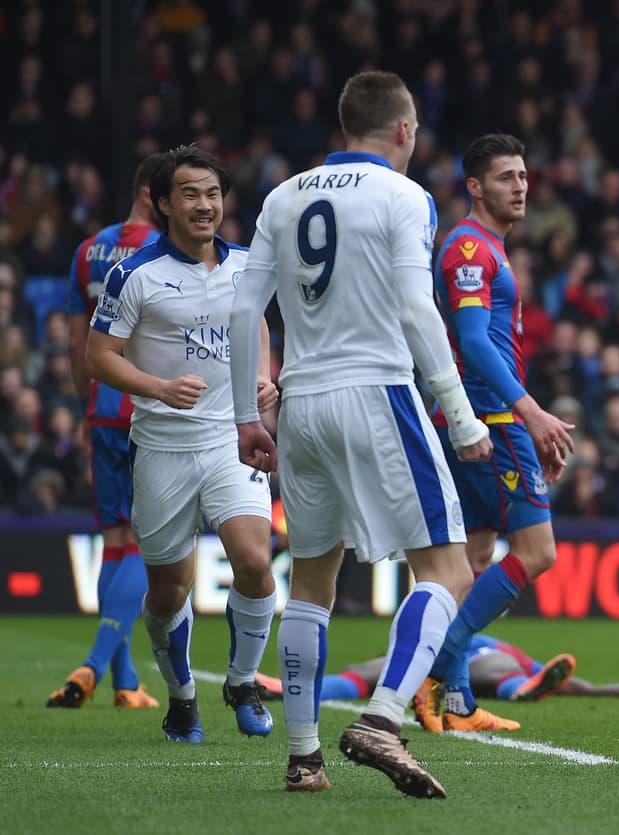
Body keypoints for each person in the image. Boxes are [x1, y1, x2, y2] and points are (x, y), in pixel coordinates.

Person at [230, 70, 491, 798]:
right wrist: (460, 412)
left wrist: (246, 417)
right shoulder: (405, 196)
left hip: (301, 400)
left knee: (312, 579)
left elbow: (245, 306)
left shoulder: (284, 196)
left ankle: (304, 756)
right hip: (377, 390)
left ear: (347, 125)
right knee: (446, 569)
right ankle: (383, 714)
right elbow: (416, 304)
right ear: (403, 130)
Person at [86, 145, 280, 744]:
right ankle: (181, 697)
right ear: (164, 202)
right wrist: (159, 387)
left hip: (230, 438)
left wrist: (263, 378)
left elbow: (260, 326)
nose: (204, 205)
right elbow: (98, 357)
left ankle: (243, 682)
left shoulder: (249, 265)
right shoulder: (134, 273)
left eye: (213, 194)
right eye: (190, 194)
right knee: (169, 587)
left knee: (254, 561)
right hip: (163, 447)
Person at [413, 133, 575, 734]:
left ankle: (455, 704)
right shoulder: (469, 249)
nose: (521, 186)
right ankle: (440, 663)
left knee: (476, 557)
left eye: (524, 176)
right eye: (507, 177)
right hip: (490, 421)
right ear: (475, 186)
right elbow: (475, 340)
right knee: (538, 552)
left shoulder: (483, 248)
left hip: (478, 420)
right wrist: (529, 412)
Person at [47, 153, 164, 711]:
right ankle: (95, 666)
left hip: (101, 405)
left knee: (115, 541)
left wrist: (84, 397)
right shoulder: (161, 253)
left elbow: (75, 341)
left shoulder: (88, 249)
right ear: (151, 193)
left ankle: (124, 681)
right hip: (146, 405)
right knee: (140, 541)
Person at [253, 633, 619, 707]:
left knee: (376, 670)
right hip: (482, 660)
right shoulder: (497, 644)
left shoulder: (494, 646)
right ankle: (522, 690)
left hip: (465, 658)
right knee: (376, 668)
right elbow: (578, 686)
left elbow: (578, 686)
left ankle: (291, 688)